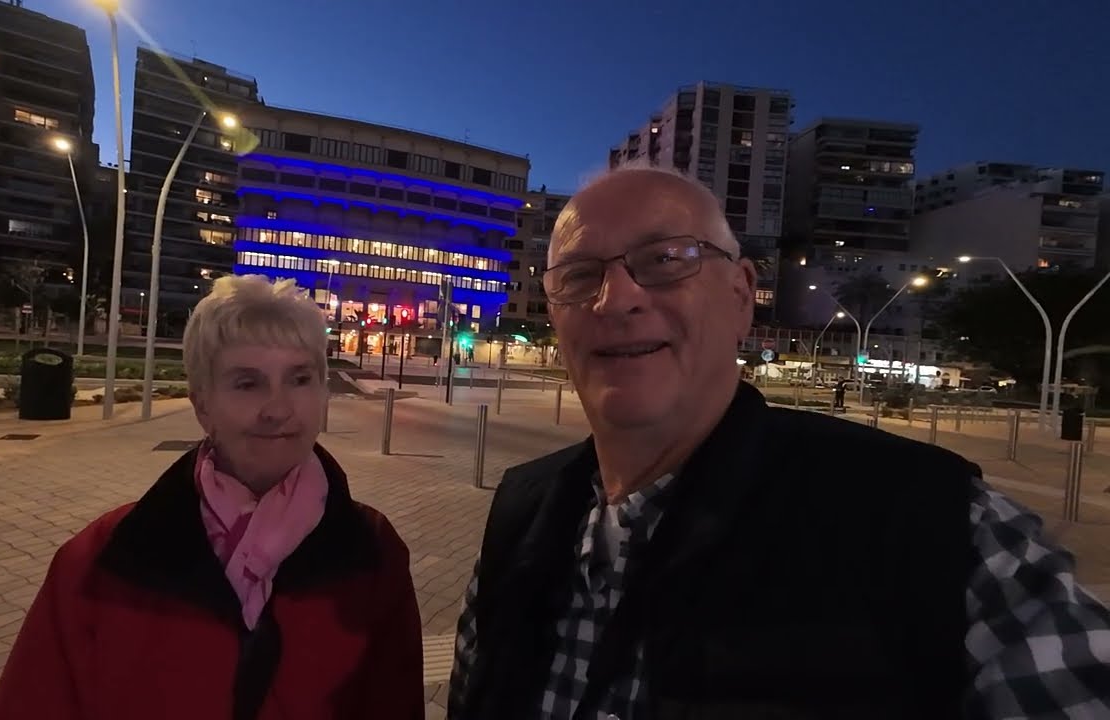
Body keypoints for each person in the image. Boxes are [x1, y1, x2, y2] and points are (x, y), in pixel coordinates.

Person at [447, 165, 1110, 719]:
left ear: (741, 295)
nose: (615, 299)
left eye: (665, 260)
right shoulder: (520, 519)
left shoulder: (930, 525)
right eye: (579, 276)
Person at [0, 275, 423, 720]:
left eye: (299, 378)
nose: (278, 408)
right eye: (247, 383)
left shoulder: (374, 551)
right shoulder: (98, 561)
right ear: (202, 405)